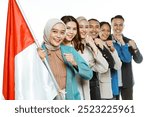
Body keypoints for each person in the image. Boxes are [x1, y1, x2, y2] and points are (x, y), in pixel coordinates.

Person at [38, 18, 93, 100]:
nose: (58, 36)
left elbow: (89, 74)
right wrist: (39, 61)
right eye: (54, 31)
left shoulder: (69, 50)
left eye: (62, 32)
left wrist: (74, 63)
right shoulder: (38, 52)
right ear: (47, 31)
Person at [111, 15, 143, 100]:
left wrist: (135, 47)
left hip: (127, 82)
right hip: (112, 82)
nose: (118, 27)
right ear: (111, 26)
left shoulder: (129, 41)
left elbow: (139, 60)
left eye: (120, 25)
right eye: (115, 24)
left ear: (123, 26)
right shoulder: (107, 41)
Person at [77, 16, 109, 100]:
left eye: (87, 27)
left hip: (85, 92)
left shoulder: (88, 49)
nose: (84, 30)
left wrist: (93, 46)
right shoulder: (68, 47)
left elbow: (104, 67)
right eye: (81, 27)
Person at [61, 15, 89, 99]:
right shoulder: (50, 46)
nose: (71, 32)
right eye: (68, 28)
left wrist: (74, 63)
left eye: (74, 29)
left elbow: (88, 73)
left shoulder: (72, 49)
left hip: (74, 93)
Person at [94, 21, 122, 99]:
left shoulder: (110, 45)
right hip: (101, 89)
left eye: (108, 31)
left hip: (113, 88)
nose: (106, 33)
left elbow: (118, 66)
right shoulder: (94, 45)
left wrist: (113, 50)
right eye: (103, 30)